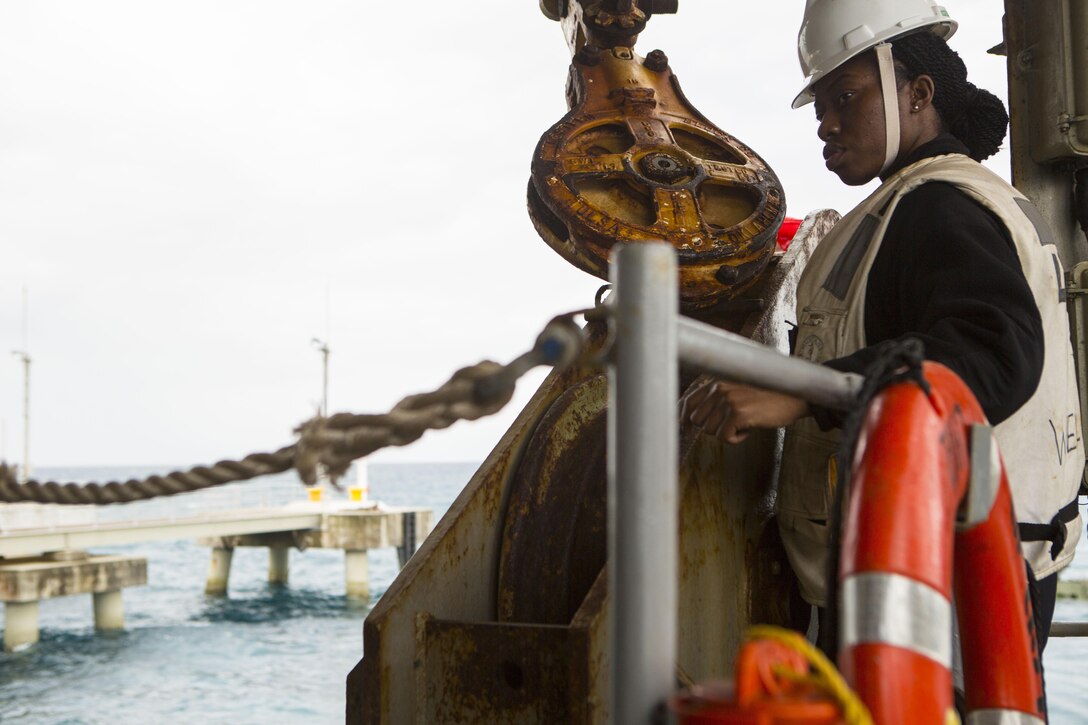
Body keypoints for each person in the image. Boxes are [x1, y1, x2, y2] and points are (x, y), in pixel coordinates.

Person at [681, 0, 1083, 654]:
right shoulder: (929, 200)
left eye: (845, 97)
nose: (827, 124)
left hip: (942, 587)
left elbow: (991, 355)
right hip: (951, 569)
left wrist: (805, 390)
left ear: (918, 93)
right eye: (819, 108)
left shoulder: (940, 205)